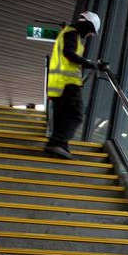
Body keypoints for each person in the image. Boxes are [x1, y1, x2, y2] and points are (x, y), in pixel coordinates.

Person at [45, 11, 106, 159]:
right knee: (76, 114)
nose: (90, 35)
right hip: (67, 83)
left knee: (62, 116)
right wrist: (92, 64)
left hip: (58, 83)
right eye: (91, 32)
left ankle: (57, 144)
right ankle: (58, 143)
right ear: (87, 25)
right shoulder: (72, 34)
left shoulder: (69, 33)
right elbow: (69, 54)